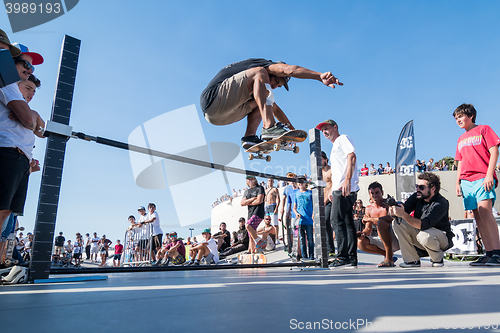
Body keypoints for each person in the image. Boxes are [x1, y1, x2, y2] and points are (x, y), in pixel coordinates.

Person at [200, 58, 343, 148]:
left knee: (265, 98)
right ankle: (269, 127)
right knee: (260, 73)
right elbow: (290, 70)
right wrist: (318, 76)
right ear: (276, 71)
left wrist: (292, 132)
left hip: (219, 117)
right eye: (276, 82)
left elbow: (274, 109)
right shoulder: (266, 66)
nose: (274, 86)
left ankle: (249, 137)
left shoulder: (258, 90)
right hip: (213, 99)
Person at [0, 34, 45, 263]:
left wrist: (33, 115)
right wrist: (30, 118)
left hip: (20, 159)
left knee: (7, 214)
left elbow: (39, 127)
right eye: (26, 65)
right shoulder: (7, 84)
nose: (30, 70)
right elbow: (30, 123)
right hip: (7, 151)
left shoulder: (15, 92)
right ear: (11, 62)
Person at [453, 103, 500, 266]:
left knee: (485, 211)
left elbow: (495, 151)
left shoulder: (484, 129)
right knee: (477, 217)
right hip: (466, 181)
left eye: (460, 116)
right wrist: (458, 182)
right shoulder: (460, 139)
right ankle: (488, 253)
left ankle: (498, 253)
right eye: (456, 118)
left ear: (471, 116)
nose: (458, 120)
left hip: (482, 177)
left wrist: (489, 174)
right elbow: (460, 162)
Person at [316, 119, 359, 267]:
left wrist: (346, 180)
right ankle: (352, 259)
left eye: (327, 128)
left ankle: (342, 258)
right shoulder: (335, 147)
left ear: (335, 127)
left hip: (344, 188)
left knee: (335, 221)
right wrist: (332, 189)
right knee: (347, 223)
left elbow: (352, 156)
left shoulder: (342, 139)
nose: (325, 132)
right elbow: (338, 170)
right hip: (340, 188)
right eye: (323, 131)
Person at [390, 172, 454, 267]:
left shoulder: (441, 203)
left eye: (421, 187)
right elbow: (404, 209)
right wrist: (393, 212)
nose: (417, 189)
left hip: (441, 238)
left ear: (433, 189)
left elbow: (423, 224)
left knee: (425, 236)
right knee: (398, 222)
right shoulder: (417, 196)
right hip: (423, 234)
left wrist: (403, 214)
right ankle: (411, 260)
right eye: (417, 186)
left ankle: (437, 259)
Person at [357, 182, 400, 267]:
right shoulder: (368, 209)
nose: (374, 195)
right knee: (361, 243)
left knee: (381, 224)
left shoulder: (388, 205)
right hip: (382, 240)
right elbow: (368, 229)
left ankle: (389, 259)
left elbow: (390, 219)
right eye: (372, 193)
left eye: (377, 192)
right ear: (369, 195)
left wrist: (369, 219)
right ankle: (388, 255)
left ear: (382, 193)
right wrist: (363, 234)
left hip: (396, 239)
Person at [240, 175, 266, 252]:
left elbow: (259, 200)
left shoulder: (260, 188)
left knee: (247, 225)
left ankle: (259, 241)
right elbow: (242, 203)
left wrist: (248, 202)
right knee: (250, 235)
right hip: (250, 213)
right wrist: (252, 199)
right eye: (248, 179)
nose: (250, 180)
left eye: (252, 178)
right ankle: (250, 251)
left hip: (258, 212)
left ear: (255, 179)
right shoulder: (247, 191)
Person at [293, 176, 314, 260]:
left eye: (302, 181)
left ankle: (311, 257)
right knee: (302, 240)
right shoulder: (296, 193)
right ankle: (304, 257)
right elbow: (294, 207)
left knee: (310, 240)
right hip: (300, 221)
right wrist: (296, 213)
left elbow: (314, 205)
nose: (300, 183)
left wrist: (313, 215)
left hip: (309, 220)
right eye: (299, 181)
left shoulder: (310, 193)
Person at [321, 151, 336, 255]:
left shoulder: (331, 170)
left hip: (330, 200)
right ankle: (328, 249)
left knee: (329, 221)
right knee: (324, 224)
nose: (320, 161)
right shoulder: (318, 172)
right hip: (321, 201)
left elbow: (333, 185)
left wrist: (326, 200)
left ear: (326, 159)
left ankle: (331, 250)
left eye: (321, 159)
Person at [264, 179, 281, 243]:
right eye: (269, 180)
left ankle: (276, 238)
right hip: (267, 207)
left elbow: (278, 199)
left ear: (273, 181)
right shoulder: (266, 190)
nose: (270, 181)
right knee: (267, 224)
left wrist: (276, 208)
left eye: (271, 180)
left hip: (273, 205)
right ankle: (270, 239)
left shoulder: (275, 189)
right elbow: (265, 200)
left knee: (275, 223)